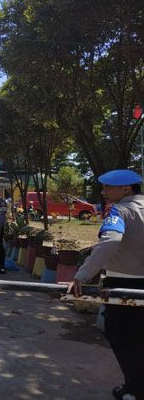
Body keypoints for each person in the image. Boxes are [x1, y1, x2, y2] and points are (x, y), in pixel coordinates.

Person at [68, 169, 144, 400]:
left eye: (107, 188)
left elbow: (110, 241)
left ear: (126, 189)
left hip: (124, 284)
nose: (103, 192)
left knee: (123, 336)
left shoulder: (120, 211)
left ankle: (135, 390)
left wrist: (82, 275)